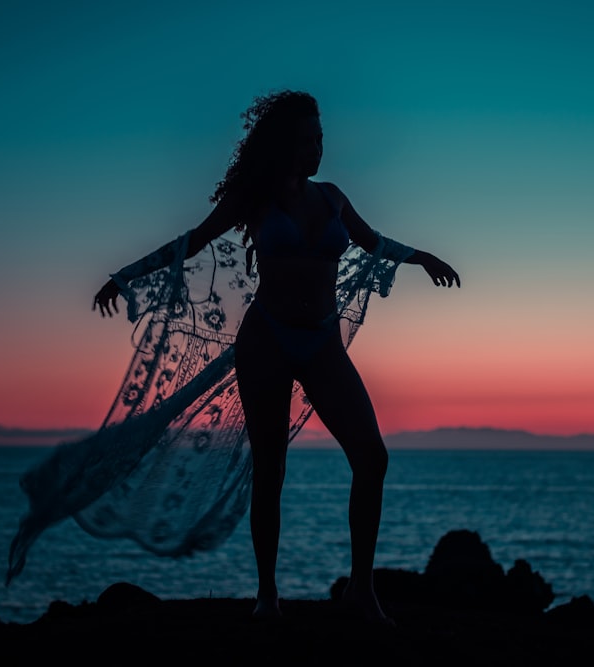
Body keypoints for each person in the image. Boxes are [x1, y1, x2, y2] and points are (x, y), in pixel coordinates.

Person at [92, 89, 460, 623]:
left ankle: (361, 588)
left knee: (372, 457)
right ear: (285, 143)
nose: (317, 149)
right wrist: (124, 275)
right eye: (308, 139)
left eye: (321, 138)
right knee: (271, 469)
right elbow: (192, 242)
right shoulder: (254, 201)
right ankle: (268, 594)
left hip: (322, 342)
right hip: (266, 340)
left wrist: (421, 257)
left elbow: (371, 241)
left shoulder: (332, 197)